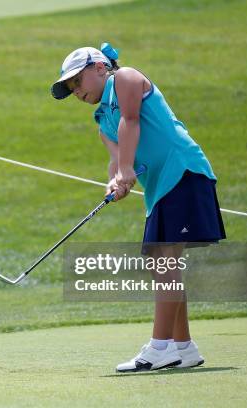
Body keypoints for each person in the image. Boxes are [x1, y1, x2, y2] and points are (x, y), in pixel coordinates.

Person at [51, 43, 226, 372]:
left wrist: (128, 170)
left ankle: (159, 347)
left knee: (164, 258)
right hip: (160, 187)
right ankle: (183, 347)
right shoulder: (102, 117)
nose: (76, 91)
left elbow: (132, 122)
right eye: (71, 87)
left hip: (183, 171)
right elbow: (117, 159)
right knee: (159, 260)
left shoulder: (127, 79)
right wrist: (116, 179)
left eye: (78, 81)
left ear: (101, 68)